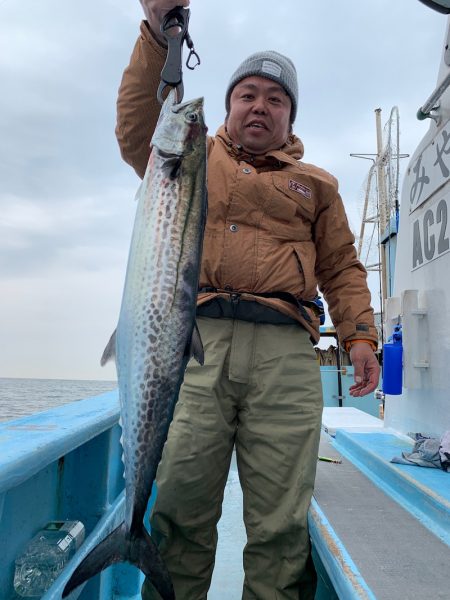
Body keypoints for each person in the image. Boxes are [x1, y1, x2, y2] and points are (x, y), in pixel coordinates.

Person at [116, 2, 381, 598]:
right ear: (230, 106)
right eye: (247, 94)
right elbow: (138, 126)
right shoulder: (189, 157)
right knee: (179, 512)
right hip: (192, 343)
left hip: (285, 356)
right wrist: (158, 34)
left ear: (291, 116)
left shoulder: (317, 185)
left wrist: (360, 335)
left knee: (281, 526)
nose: (260, 106)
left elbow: (341, 266)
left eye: (275, 98)